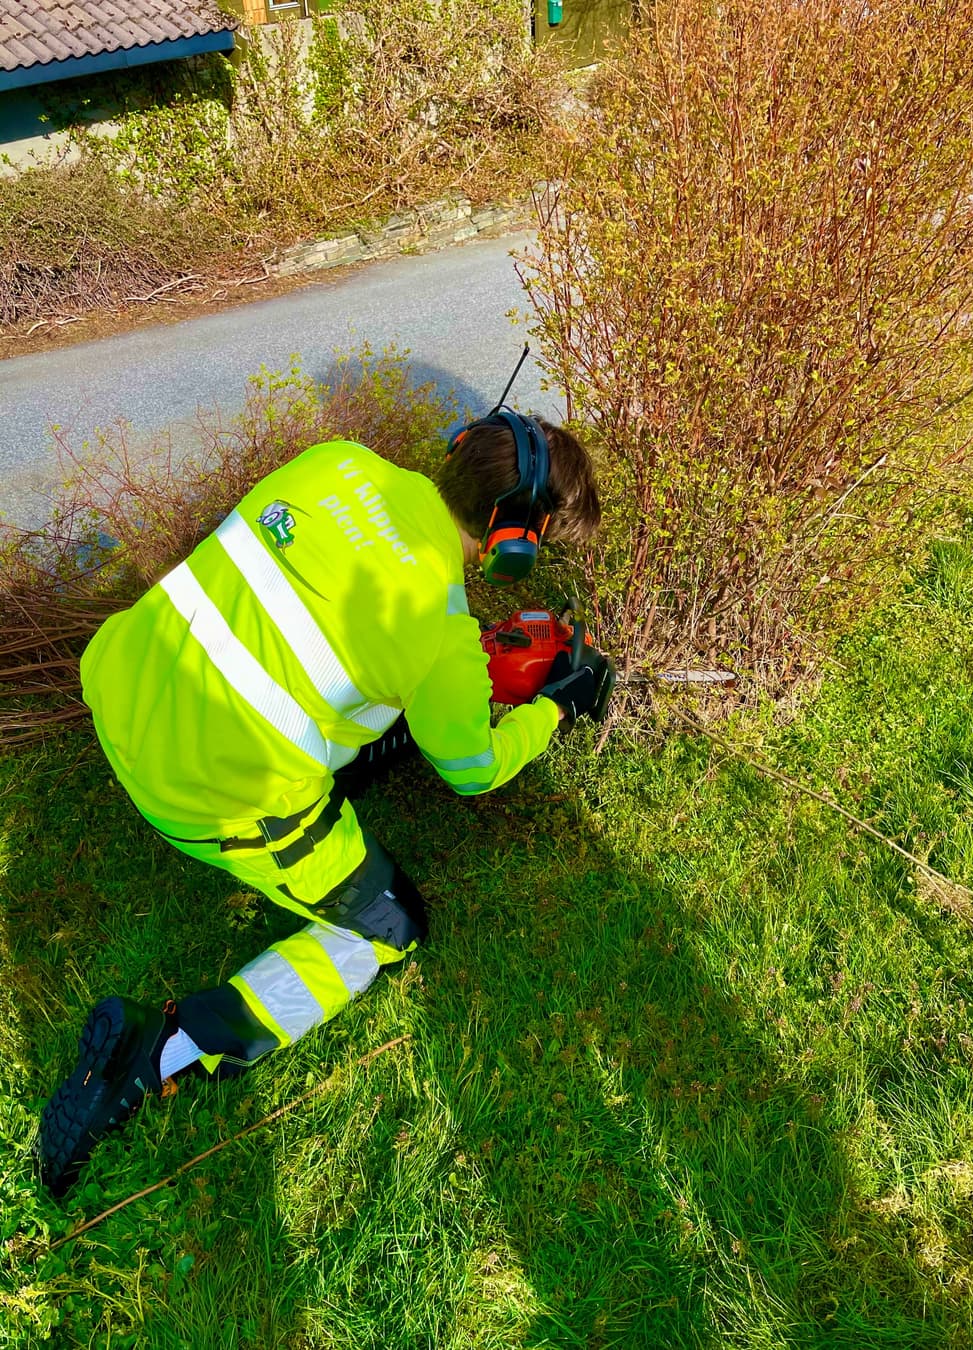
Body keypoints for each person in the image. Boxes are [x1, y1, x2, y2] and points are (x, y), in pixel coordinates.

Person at [36, 406, 608, 1197]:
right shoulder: (439, 631)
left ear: (456, 449)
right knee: (390, 929)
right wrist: (555, 708)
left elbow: (321, 617)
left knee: (353, 710)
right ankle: (161, 1050)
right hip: (204, 797)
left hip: (124, 688)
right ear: (517, 536)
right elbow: (473, 770)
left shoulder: (334, 461)